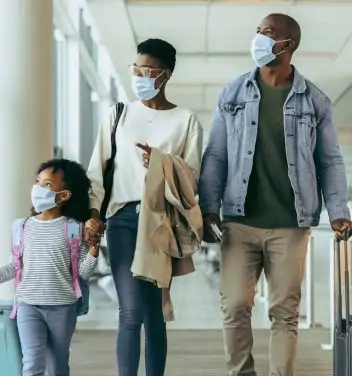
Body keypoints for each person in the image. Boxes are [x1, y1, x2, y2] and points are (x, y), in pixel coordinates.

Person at [198, 13, 352, 376]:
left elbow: (330, 161)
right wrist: (209, 210)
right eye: (257, 31)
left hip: (290, 224)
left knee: (285, 312)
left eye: (267, 33)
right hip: (238, 221)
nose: (258, 38)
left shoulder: (314, 101)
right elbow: (216, 155)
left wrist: (338, 211)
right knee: (235, 305)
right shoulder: (233, 93)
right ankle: (242, 372)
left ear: (288, 44)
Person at [84, 38, 203, 376]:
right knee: (130, 310)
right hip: (122, 220)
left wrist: (162, 163)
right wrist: (94, 213)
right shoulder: (119, 114)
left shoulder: (186, 120)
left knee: (154, 315)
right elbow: (98, 169)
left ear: (164, 75)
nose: (137, 75)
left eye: (145, 70)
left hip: (161, 222)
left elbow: (192, 179)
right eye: (134, 69)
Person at [0, 158, 98, 376]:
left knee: (58, 364)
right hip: (28, 306)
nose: (37, 189)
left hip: (63, 307)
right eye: (38, 182)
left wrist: (93, 250)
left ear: (64, 195)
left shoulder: (74, 228)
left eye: (47, 185)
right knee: (32, 365)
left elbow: (82, 272)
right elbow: (12, 267)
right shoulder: (22, 227)